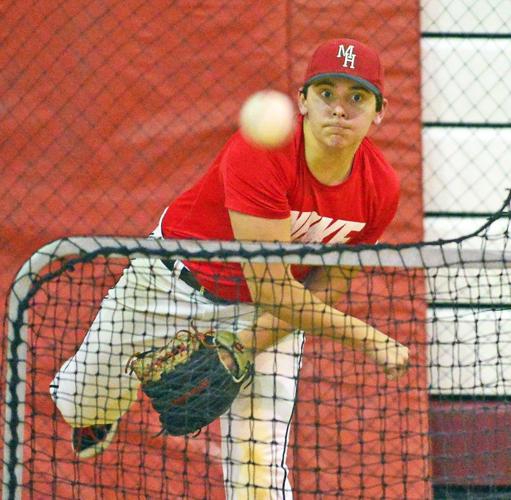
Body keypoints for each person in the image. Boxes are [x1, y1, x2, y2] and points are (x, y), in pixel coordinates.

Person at [50, 37, 409, 498]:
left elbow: (329, 283)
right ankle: (95, 411)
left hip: (268, 320)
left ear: (379, 110)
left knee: (258, 474)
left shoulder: (380, 188)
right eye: (326, 93)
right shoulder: (262, 152)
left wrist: (243, 344)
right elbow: (272, 287)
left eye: (356, 97)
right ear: (303, 101)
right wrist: (371, 340)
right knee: (82, 399)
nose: (339, 109)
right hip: (171, 282)